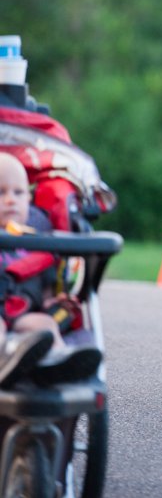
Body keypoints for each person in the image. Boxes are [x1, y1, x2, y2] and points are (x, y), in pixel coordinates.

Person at [0, 152, 103, 385]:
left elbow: (43, 281)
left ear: (29, 198)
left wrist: (50, 301)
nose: (10, 200)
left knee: (44, 325)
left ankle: (54, 361)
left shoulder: (39, 239)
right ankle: (4, 361)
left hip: (24, 310)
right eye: (1, 193)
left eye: (18, 193)